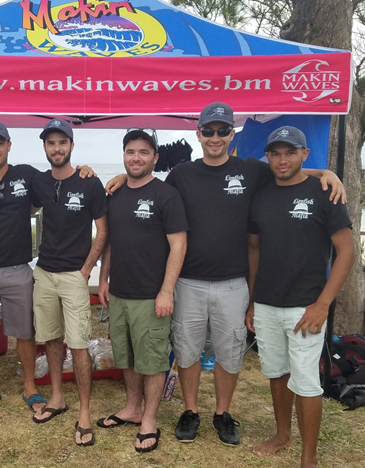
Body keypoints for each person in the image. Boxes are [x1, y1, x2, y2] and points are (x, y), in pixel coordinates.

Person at [105, 102, 346, 446]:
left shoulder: (251, 170)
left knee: (229, 353)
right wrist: (121, 178)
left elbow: (288, 170)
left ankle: (222, 413)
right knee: (187, 352)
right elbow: (148, 187)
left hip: (233, 283)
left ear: (232, 133)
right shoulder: (182, 174)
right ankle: (190, 411)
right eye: (208, 131)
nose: (215, 137)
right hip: (188, 282)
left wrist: (325, 174)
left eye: (222, 131)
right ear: (198, 134)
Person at [0, 120, 95, 418]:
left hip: (18, 268)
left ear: (9, 145)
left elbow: (60, 177)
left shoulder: (28, 175)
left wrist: (85, 169)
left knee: (25, 331)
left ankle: (30, 387)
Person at [246, 126, 354, 468]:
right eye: (275, 153)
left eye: (290, 152)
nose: (282, 160)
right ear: (267, 156)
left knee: (306, 381)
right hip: (266, 303)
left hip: (306, 306)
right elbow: (254, 249)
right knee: (277, 372)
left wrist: (323, 304)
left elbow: (347, 251)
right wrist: (252, 301)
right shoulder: (261, 194)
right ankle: (282, 435)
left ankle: (309, 457)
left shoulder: (324, 192)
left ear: (304, 155)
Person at [98, 130, 188, 453]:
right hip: (119, 292)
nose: (136, 158)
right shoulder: (115, 194)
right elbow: (111, 241)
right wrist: (104, 278)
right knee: (127, 356)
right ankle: (132, 408)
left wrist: (166, 291)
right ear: (124, 155)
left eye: (143, 152)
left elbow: (178, 245)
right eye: (130, 152)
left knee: (151, 360)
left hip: (151, 296)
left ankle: (149, 419)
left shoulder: (166, 195)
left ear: (155, 158)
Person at [30, 119, 108, 446]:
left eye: (62, 142)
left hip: (74, 275)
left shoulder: (90, 182)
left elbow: (103, 230)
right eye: (51, 143)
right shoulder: (39, 181)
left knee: (78, 345)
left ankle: (85, 412)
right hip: (44, 273)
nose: (57, 148)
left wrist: (87, 269)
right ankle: (57, 398)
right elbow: (26, 209)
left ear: (72, 146)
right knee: (51, 339)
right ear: (45, 147)